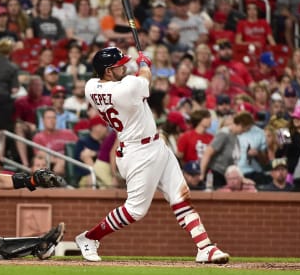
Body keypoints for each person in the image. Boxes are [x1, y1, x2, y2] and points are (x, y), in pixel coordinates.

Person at [75, 47, 229, 263]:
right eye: (120, 66)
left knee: (180, 197)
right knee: (135, 210)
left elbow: (131, 81)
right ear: (108, 71)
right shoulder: (125, 89)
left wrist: (139, 67)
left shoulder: (91, 87)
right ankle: (90, 238)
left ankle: (205, 247)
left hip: (156, 146)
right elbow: (145, 77)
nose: (125, 67)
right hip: (138, 152)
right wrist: (145, 63)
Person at [199, 111, 255, 189]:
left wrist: (241, 178)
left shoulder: (235, 136)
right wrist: (202, 174)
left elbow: (233, 162)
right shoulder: (224, 134)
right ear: (241, 125)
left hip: (226, 176)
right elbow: (207, 153)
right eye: (247, 128)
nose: (246, 131)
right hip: (216, 175)